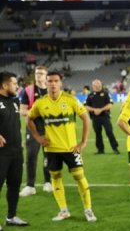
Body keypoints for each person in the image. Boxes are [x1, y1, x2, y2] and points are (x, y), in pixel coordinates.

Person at [26, 71, 97, 222]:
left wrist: (83, 142)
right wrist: (37, 137)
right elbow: (29, 119)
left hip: (71, 148)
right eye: (49, 81)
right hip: (51, 150)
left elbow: (86, 119)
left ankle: (88, 209)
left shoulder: (71, 100)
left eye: (55, 81)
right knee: (55, 178)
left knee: (79, 177)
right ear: (45, 83)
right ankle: (63, 211)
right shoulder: (40, 103)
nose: (52, 83)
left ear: (60, 83)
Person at [0, 72, 29, 231]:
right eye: (14, 83)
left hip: (16, 151)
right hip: (1, 153)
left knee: (14, 184)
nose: (17, 86)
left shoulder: (15, 101)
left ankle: (11, 217)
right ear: (4, 85)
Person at [18, 65, 52, 196]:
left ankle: (48, 182)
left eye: (41, 73)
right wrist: (36, 113)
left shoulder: (51, 90)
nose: (39, 75)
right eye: (37, 73)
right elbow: (22, 110)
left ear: (46, 76)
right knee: (31, 156)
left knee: (49, 157)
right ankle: (30, 185)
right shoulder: (28, 91)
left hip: (50, 129)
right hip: (33, 129)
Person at [84, 79, 120, 154]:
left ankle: (115, 148)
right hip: (95, 118)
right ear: (93, 86)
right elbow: (86, 106)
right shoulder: (90, 95)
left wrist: (100, 110)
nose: (98, 86)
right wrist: (94, 110)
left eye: (99, 84)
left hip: (105, 117)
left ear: (101, 85)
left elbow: (110, 105)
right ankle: (100, 150)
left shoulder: (106, 93)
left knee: (109, 132)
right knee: (98, 134)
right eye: (96, 85)